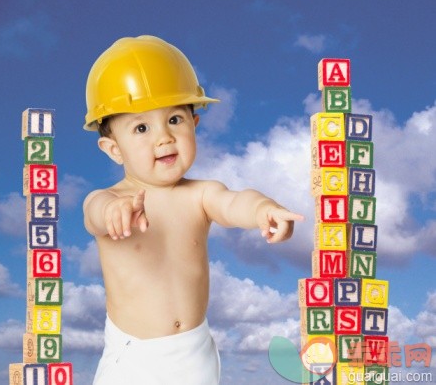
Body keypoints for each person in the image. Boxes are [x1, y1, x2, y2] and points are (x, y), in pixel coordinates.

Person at [83, 35, 304, 385]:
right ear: (113, 149)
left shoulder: (200, 194)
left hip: (195, 350)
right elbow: (95, 213)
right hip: (134, 356)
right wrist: (114, 211)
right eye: (141, 127)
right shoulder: (107, 198)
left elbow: (233, 202)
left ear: (194, 124)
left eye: (174, 120)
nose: (163, 138)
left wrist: (264, 209)